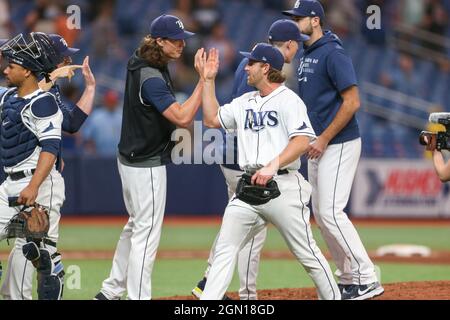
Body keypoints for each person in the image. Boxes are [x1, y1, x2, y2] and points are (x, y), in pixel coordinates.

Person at [197, 43, 340, 300]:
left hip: (283, 187)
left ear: (266, 68)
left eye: (251, 63)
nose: (246, 67)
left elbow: (302, 140)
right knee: (225, 251)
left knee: (307, 254)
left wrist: (273, 165)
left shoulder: (289, 100)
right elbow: (210, 120)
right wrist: (207, 81)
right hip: (249, 188)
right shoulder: (243, 102)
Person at [95, 14, 204, 300]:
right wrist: (204, 81)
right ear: (159, 41)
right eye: (175, 40)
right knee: (146, 235)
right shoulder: (151, 76)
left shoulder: (143, 60)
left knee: (134, 226)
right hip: (145, 165)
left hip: (130, 159)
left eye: (183, 39)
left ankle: (111, 290)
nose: (182, 44)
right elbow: (181, 117)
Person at [283, 0, 384, 300]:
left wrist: (324, 138)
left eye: (299, 18)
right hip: (319, 143)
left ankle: (367, 277)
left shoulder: (332, 51)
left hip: (338, 142)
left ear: (315, 21)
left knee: (330, 212)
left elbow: (352, 102)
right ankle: (349, 277)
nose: (295, 22)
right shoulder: (305, 53)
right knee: (321, 213)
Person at [0, 33, 96, 300]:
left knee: (35, 249)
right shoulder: (19, 93)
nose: (68, 61)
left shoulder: (46, 96)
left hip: (40, 180)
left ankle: (40, 277)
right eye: (63, 56)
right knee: (30, 247)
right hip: (14, 179)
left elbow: (61, 133)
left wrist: (89, 88)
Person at [0, 32, 65, 300]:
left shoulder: (44, 103)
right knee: (28, 254)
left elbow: (50, 149)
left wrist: (34, 186)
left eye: (11, 66)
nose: (5, 69)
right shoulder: (6, 98)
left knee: (29, 256)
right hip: (8, 185)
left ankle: (50, 271)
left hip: (39, 184)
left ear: (27, 71)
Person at [82, 90, 122, 156]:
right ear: (105, 101)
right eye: (109, 101)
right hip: (99, 155)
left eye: (113, 101)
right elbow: (88, 136)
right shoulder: (96, 116)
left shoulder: (121, 116)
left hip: (117, 156)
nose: (111, 104)